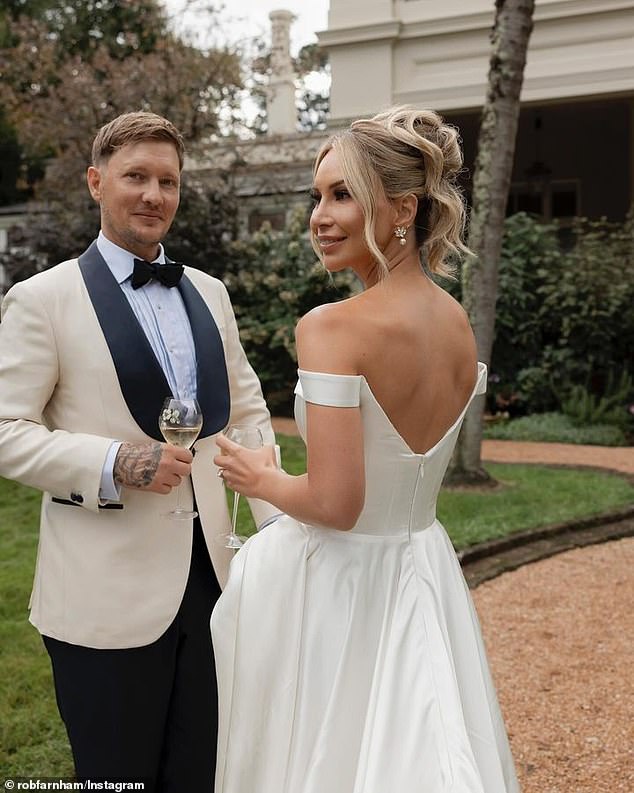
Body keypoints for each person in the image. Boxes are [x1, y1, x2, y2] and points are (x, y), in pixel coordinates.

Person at [212, 106, 520, 793]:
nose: (319, 215)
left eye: (342, 194)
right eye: (317, 195)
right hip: (421, 561)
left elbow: (335, 502)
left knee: (332, 752)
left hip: (346, 587)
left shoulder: (331, 327)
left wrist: (260, 477)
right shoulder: (456, 322)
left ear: (402, 207)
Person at [0, 111, 278, 791]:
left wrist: (280, 535)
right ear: (97, 182)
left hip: (215, 589)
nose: (154, 194)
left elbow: (248, 414)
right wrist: (114, 463)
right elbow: (6, 429)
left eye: (168, 181)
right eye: (136, 177)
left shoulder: (210, 293)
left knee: (202, 775)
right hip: (103, 597)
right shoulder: (42, 300)